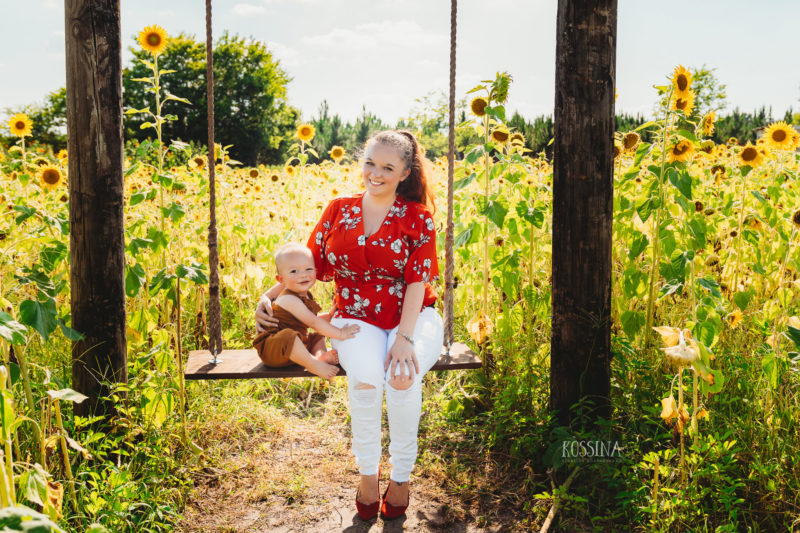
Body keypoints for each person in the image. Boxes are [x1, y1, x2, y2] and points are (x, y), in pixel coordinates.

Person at [255, 130, 443, 521]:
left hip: (413, 316)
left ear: (405, 173)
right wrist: (269, 297)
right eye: (370, 163)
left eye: (387, 167)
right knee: (369, 377)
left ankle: (403, 476)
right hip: (355, 317)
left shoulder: (417, 218)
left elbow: (417, 283)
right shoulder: (339, 209)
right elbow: (307, 268)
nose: (375, 173)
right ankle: (368, 475)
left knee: (402, 375)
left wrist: (405, 338)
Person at [252, 243, 359, 380]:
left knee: (316, 333)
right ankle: (312, 364)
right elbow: (313, 322)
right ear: (281, 280)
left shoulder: (305, 295)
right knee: (290, 335)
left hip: (296, 348)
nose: (303, 275)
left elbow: (311, 322)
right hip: (274, 348)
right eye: (294, 271)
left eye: (308, 269)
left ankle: (320, 356)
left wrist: (331, 315)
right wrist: (340, 333)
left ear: (315, 270)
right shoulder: (288, 299)